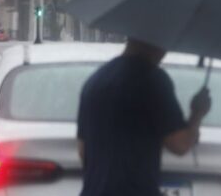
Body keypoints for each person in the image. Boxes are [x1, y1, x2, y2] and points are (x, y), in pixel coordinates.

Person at [76, 38, 212, 196]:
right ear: (155, 42)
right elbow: (179, 144)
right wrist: (198, 113)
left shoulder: (95, 81)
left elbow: (83, 150)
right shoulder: (153, 80)